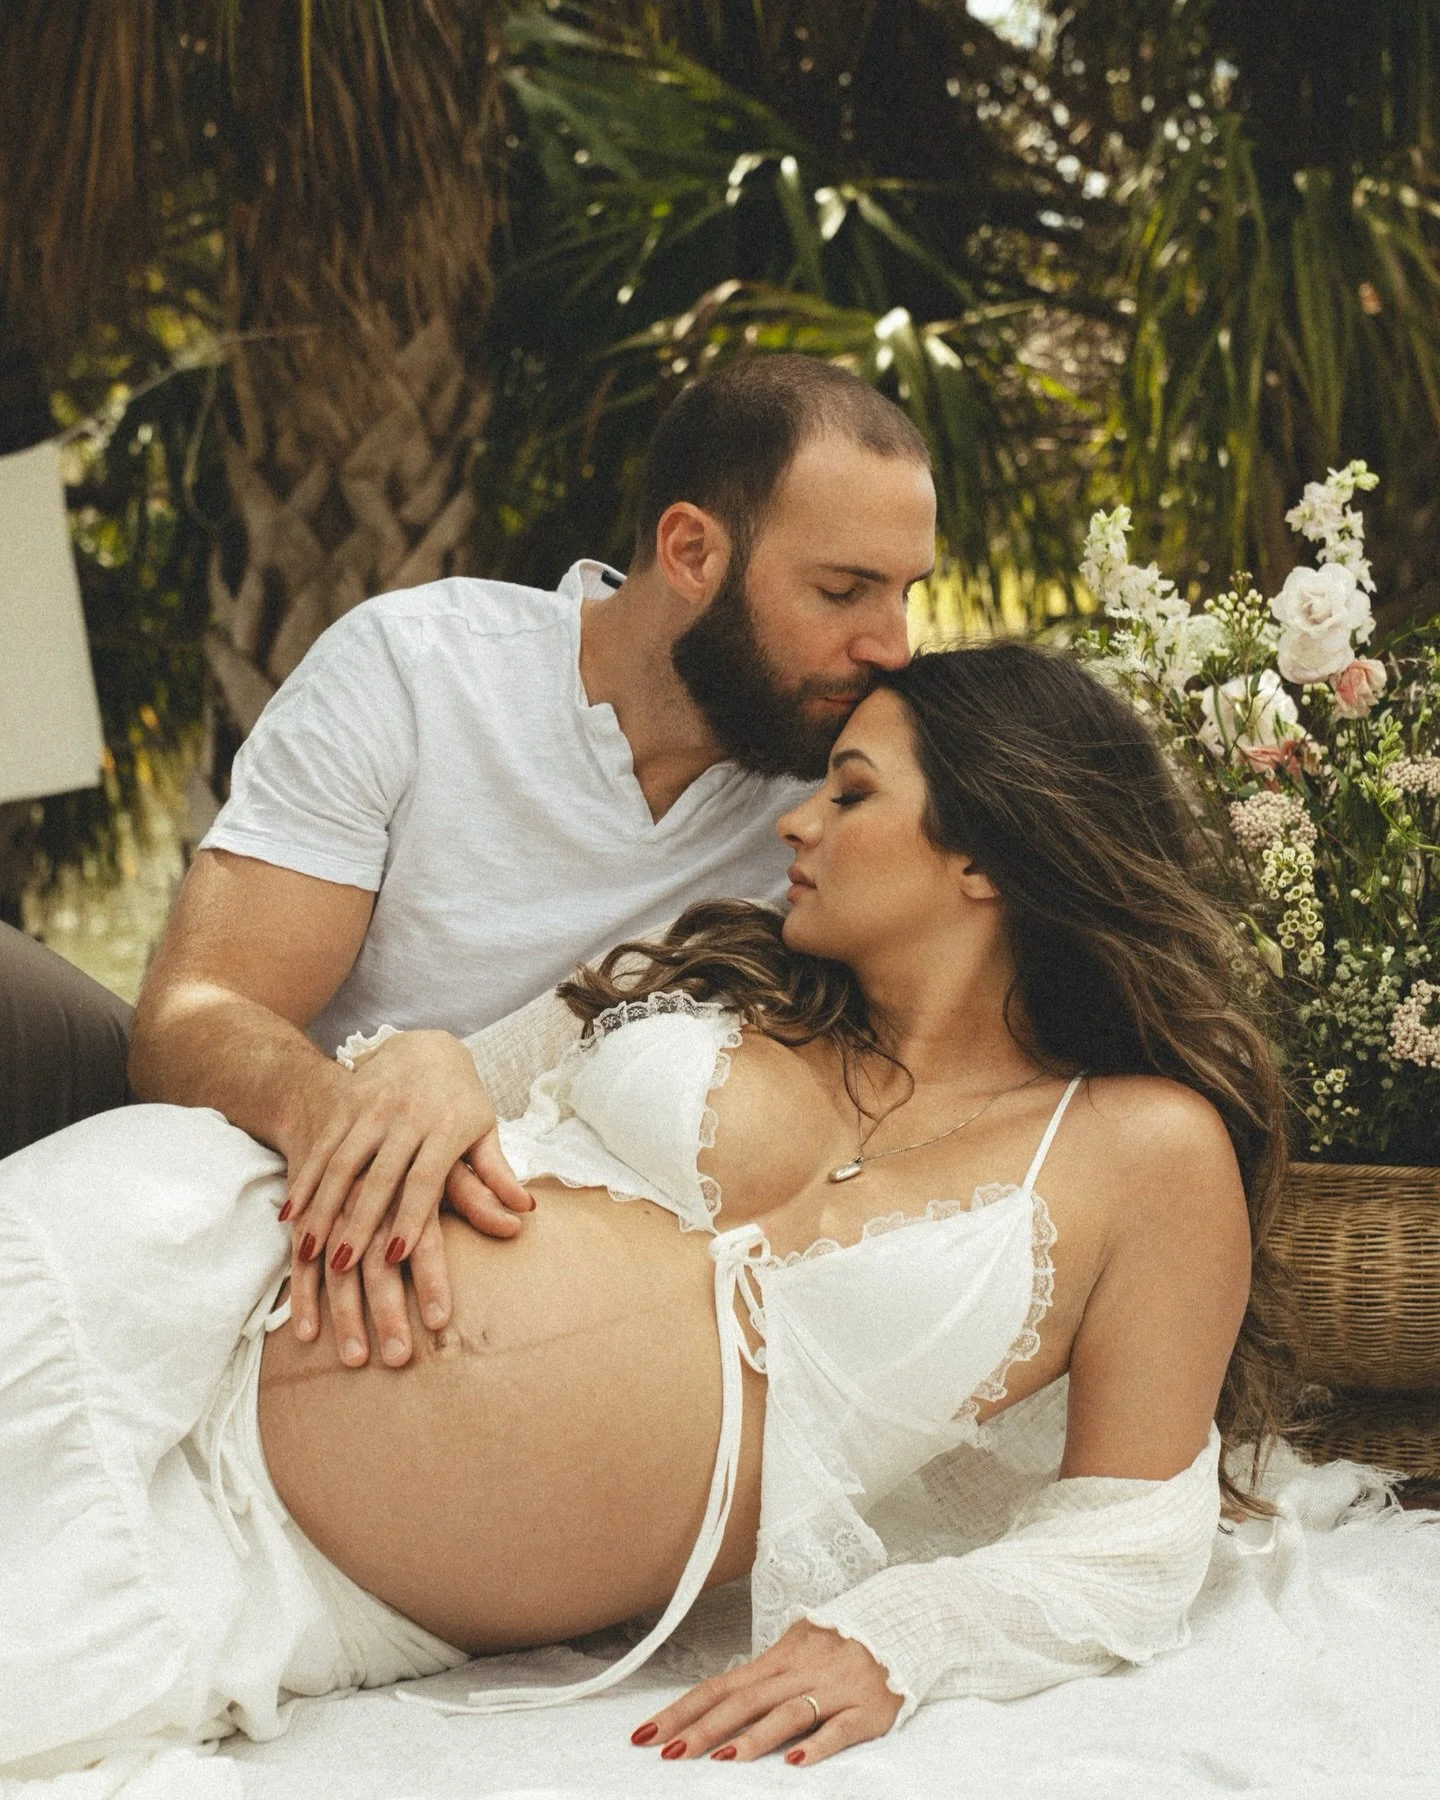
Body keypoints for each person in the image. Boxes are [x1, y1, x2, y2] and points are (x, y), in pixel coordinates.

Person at [1, 644, 1293, 1782]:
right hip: (157, 1283)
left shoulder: (1145, 1152)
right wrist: (423, 1058)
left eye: (852, 792)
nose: (797, 822)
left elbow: (1132, 1533)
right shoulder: (719, 972)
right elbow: (424, 1075)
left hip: (290, 1595)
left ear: (986, 857)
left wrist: (908, 1635)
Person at [123, 354, 937, 1361]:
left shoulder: (844, 795)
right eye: (845, 590)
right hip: (279, 1220)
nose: (891, 646)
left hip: (573, 1317)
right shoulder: (415, 673)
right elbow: (193, 1014)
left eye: (907, 592)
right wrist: (359, 1113)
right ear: (692, 552)